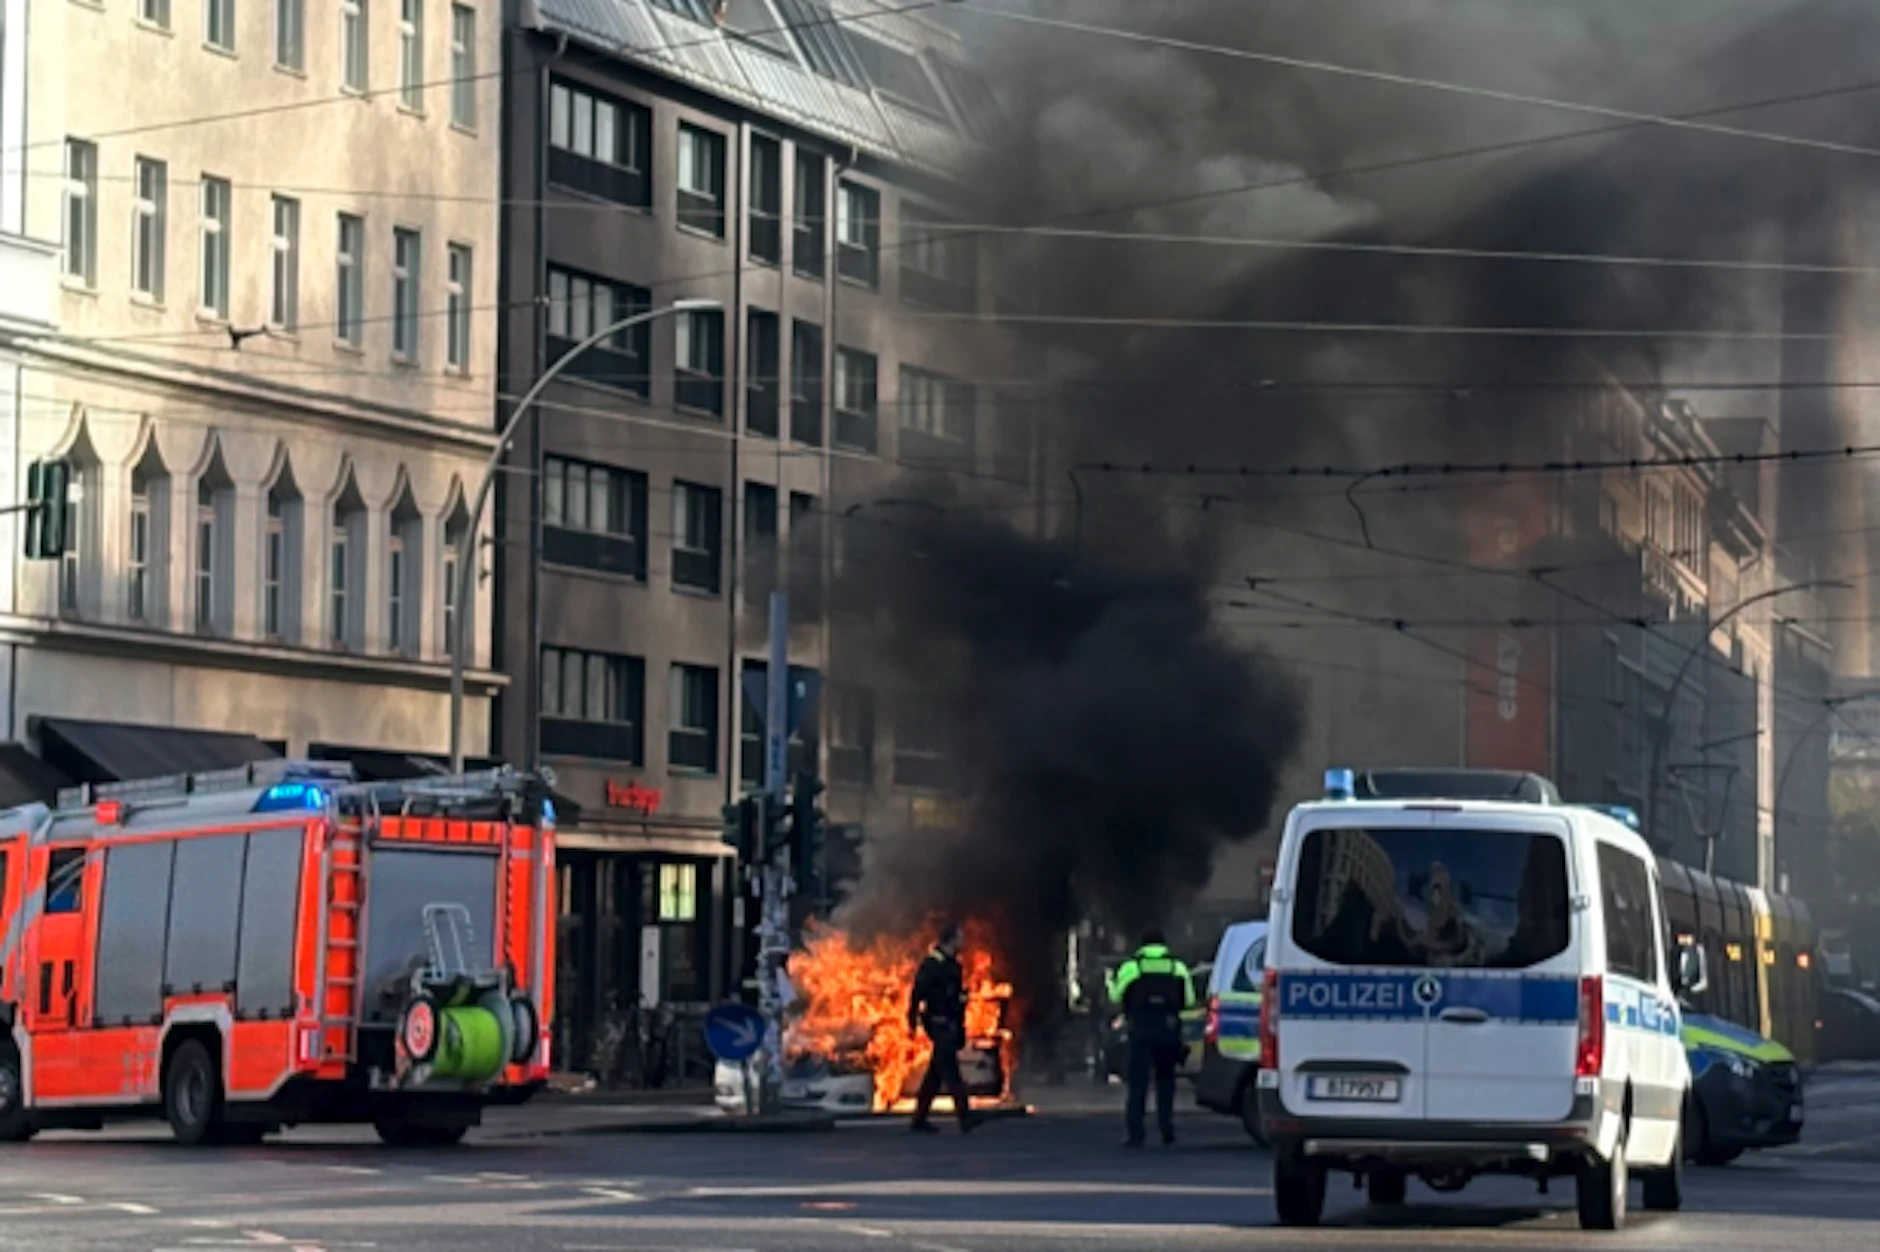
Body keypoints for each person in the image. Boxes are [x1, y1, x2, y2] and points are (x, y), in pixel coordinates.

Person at [1109, 928, 1195, 1147]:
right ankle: (1167, 1130)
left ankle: (1136, 1133)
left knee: (1137, 1084)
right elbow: (1189, 1001)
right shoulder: (1177, 967)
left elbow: (1116, 996)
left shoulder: (1132, 967)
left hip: (1140, 1032)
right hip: (1168, 1031)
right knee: (1165, 1083)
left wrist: (1110, 982)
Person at [906, 922, 977, 1133]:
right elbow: (918, 992)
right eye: (959, 937)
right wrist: (911, 1017)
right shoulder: (933, 964)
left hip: (951, 1022)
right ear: (950, 939)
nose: (962, 941)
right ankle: (965, 1116)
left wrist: (961, 1014)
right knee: (950, 1070)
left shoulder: (953, 965)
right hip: (938, 1022)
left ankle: (919, 1119)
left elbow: (956, 997)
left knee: (935, 1074)